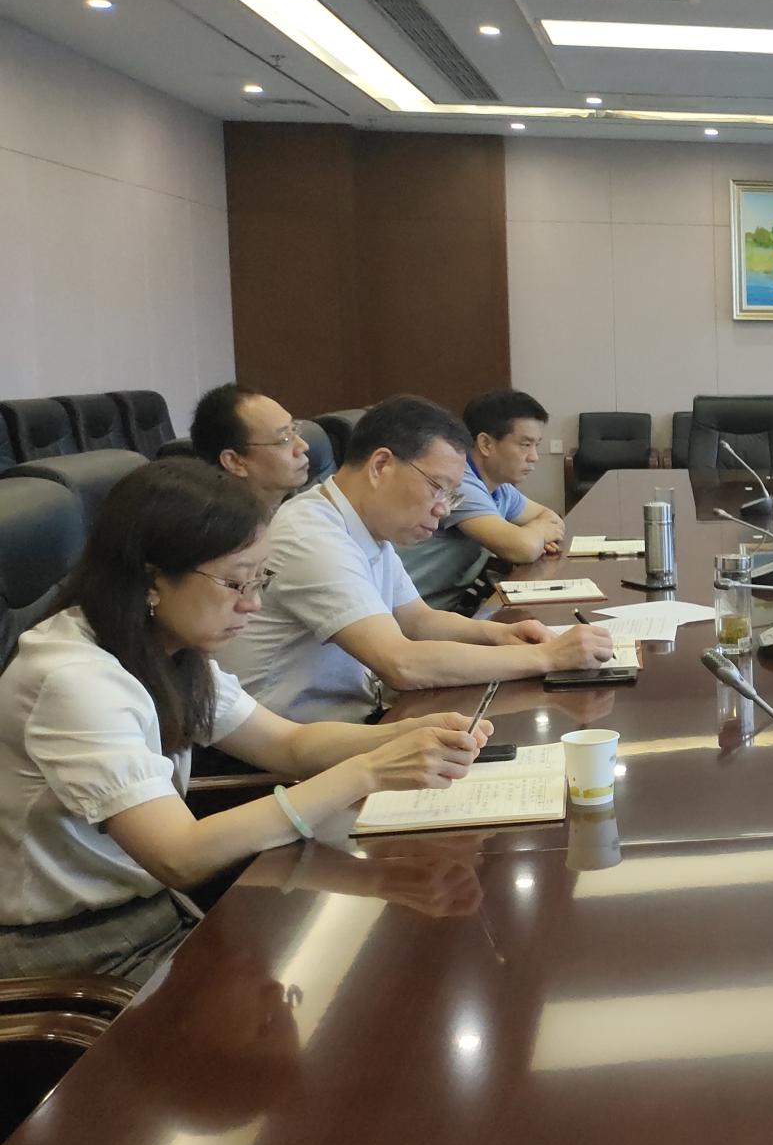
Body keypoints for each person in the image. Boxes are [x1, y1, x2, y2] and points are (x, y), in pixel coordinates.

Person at [0, 460, 489, 981]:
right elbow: (178, 855)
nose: (253, 604)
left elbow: (289, 744)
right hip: (73, 953)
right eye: (235, 583)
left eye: (260, 580)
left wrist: (402, 735)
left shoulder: (160, 645)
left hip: (157, 910)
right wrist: (368, 771)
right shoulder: (74, 680)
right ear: (152, 579)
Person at [217, 395, 613, 723]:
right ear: (381, 465)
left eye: (452, 495)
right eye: (437, 487)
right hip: (291, 753)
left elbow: (418, 620)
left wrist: (497, 635)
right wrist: (545, 656)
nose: (443, 509)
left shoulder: (364, 524)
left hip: (357, 721)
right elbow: (402, 664)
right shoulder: (311, 535)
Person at [399, 389, 567, 610]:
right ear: (486, 444)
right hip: (407, 617)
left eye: (537, 445)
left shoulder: (500, 487)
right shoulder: (460, 485)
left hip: (445, 610)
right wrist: (536, 535)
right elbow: (522, 548)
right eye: (525, 445)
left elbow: (551, 519)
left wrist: (535, 534)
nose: (534, 456)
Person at [189, 382, 312, 515]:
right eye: (284, 439)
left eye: (294, 429)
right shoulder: (222, 525)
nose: (303, 446)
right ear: (235, 462)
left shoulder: (306, 507)